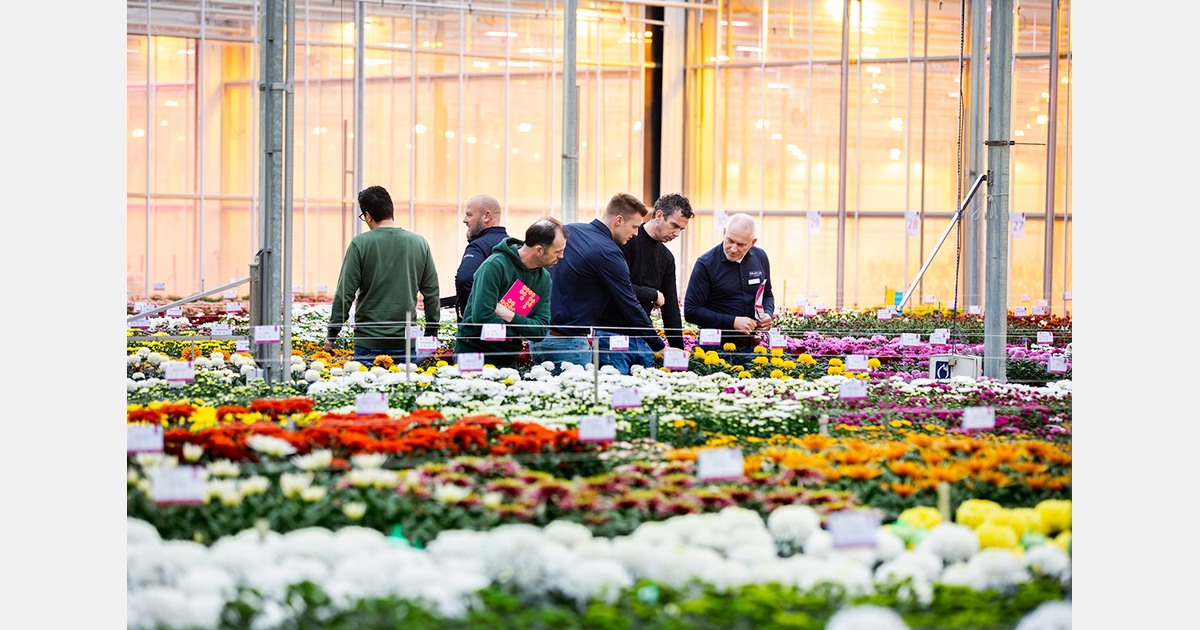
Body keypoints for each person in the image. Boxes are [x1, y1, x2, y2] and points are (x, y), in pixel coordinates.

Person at [529, 193, 667, 373]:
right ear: (618, 220)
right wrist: (659, 346)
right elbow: (629, 303)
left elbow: (533, 270)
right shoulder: (608, 252)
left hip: (538, 338)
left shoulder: (569, 231)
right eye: (634, 226)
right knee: (576, 393)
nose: (636, 233)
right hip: (567, 343)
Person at [325, 185, 441, 365]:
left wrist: (332, 334)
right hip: (405, 341)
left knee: (367, 383)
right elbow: (432, 293)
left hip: (368, 342)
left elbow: (345, 293)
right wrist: (431, 333)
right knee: (404, 383)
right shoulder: (419, 243)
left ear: (368, 216)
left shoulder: (360, 244)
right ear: (390, 210)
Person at [454, 218, 568, 368]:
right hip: (473, 354)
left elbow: (540, 330)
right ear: (539, 250)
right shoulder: (494, 266)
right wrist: (519, 332)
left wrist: (510, 315)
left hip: (508, 359)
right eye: (557, 251)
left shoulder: (544, 278)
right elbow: (482, 317)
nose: (561, 256)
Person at [596, 193, 693, 367]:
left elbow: (670, 307)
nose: (677, 233)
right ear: (659, 215)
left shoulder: (666, 258)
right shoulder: (626, 240)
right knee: (615, 384)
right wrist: (652, 294)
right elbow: (617, 288)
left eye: (681, 229)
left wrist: (678, 354)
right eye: (674, 226)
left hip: (644, 338)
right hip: (613, 333)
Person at [683, 212, 775, 360]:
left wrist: (768, 314)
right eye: (730, 241)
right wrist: (733, 322)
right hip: (714, 348)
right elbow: (691, 311)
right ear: (724, 232)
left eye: (741, 245)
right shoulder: (706, 264)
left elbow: (767, 294)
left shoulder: (760, 257)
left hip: (750, 346)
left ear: (752, 242)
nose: (733, 249)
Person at [454, 194, 510, 322]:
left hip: (480, 329)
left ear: (487, 217)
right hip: (510, 327)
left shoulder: (478, 246)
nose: (464, 220)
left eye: (469, 215)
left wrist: (471, 312)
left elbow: (465, 279)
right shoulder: (513, 246)